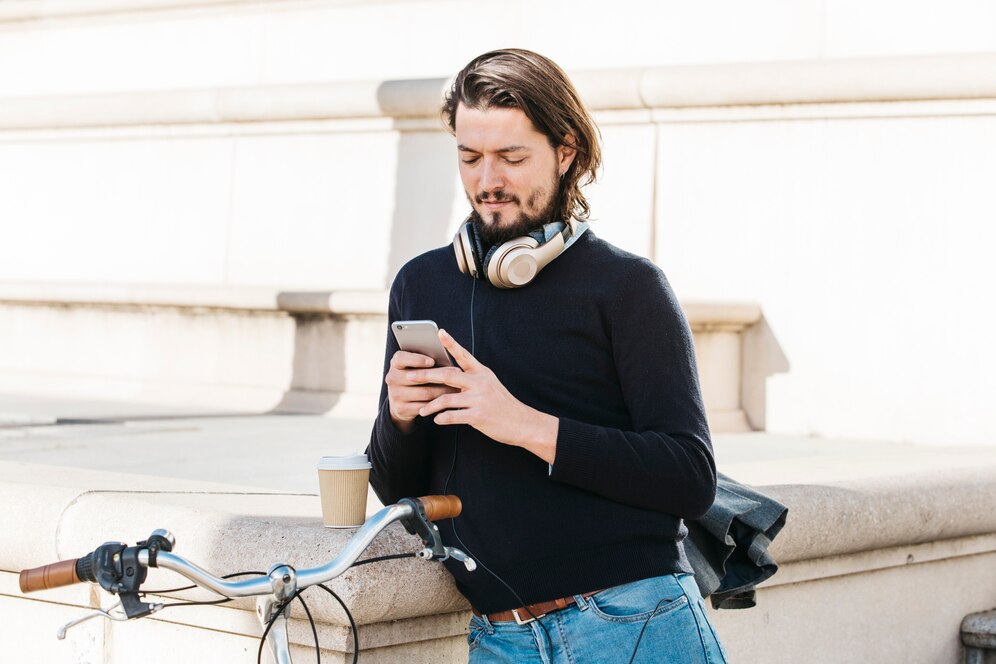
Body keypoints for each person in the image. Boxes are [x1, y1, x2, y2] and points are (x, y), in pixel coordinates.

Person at [366, 48, 728, 663]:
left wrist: (524, 425)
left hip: (633, 621)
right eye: (470, 157)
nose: (487, 180)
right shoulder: (421, 285)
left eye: (511, 158)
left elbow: (690, 477)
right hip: (499, 639)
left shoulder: (628, 287)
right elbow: (396, 490)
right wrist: (399, 418)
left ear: (566, 153)